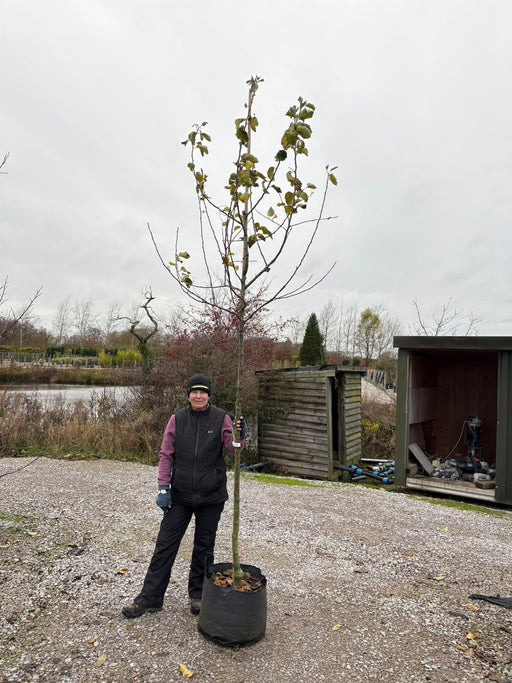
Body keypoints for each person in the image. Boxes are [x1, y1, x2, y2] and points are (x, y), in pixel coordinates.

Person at [122, 374, 246, 618]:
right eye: (194, 392)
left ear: (209, 395)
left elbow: (233, 451)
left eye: (203, 392)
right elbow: (166, 454)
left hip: (211, 497)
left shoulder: (221, 417)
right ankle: (150, 598)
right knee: (165, 546)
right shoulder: (177, 419)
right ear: (188, 394)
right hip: (180, 495)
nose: (198, 396)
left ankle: (198, 595)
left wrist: (240, 437)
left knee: (204, 547)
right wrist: (163, 488)